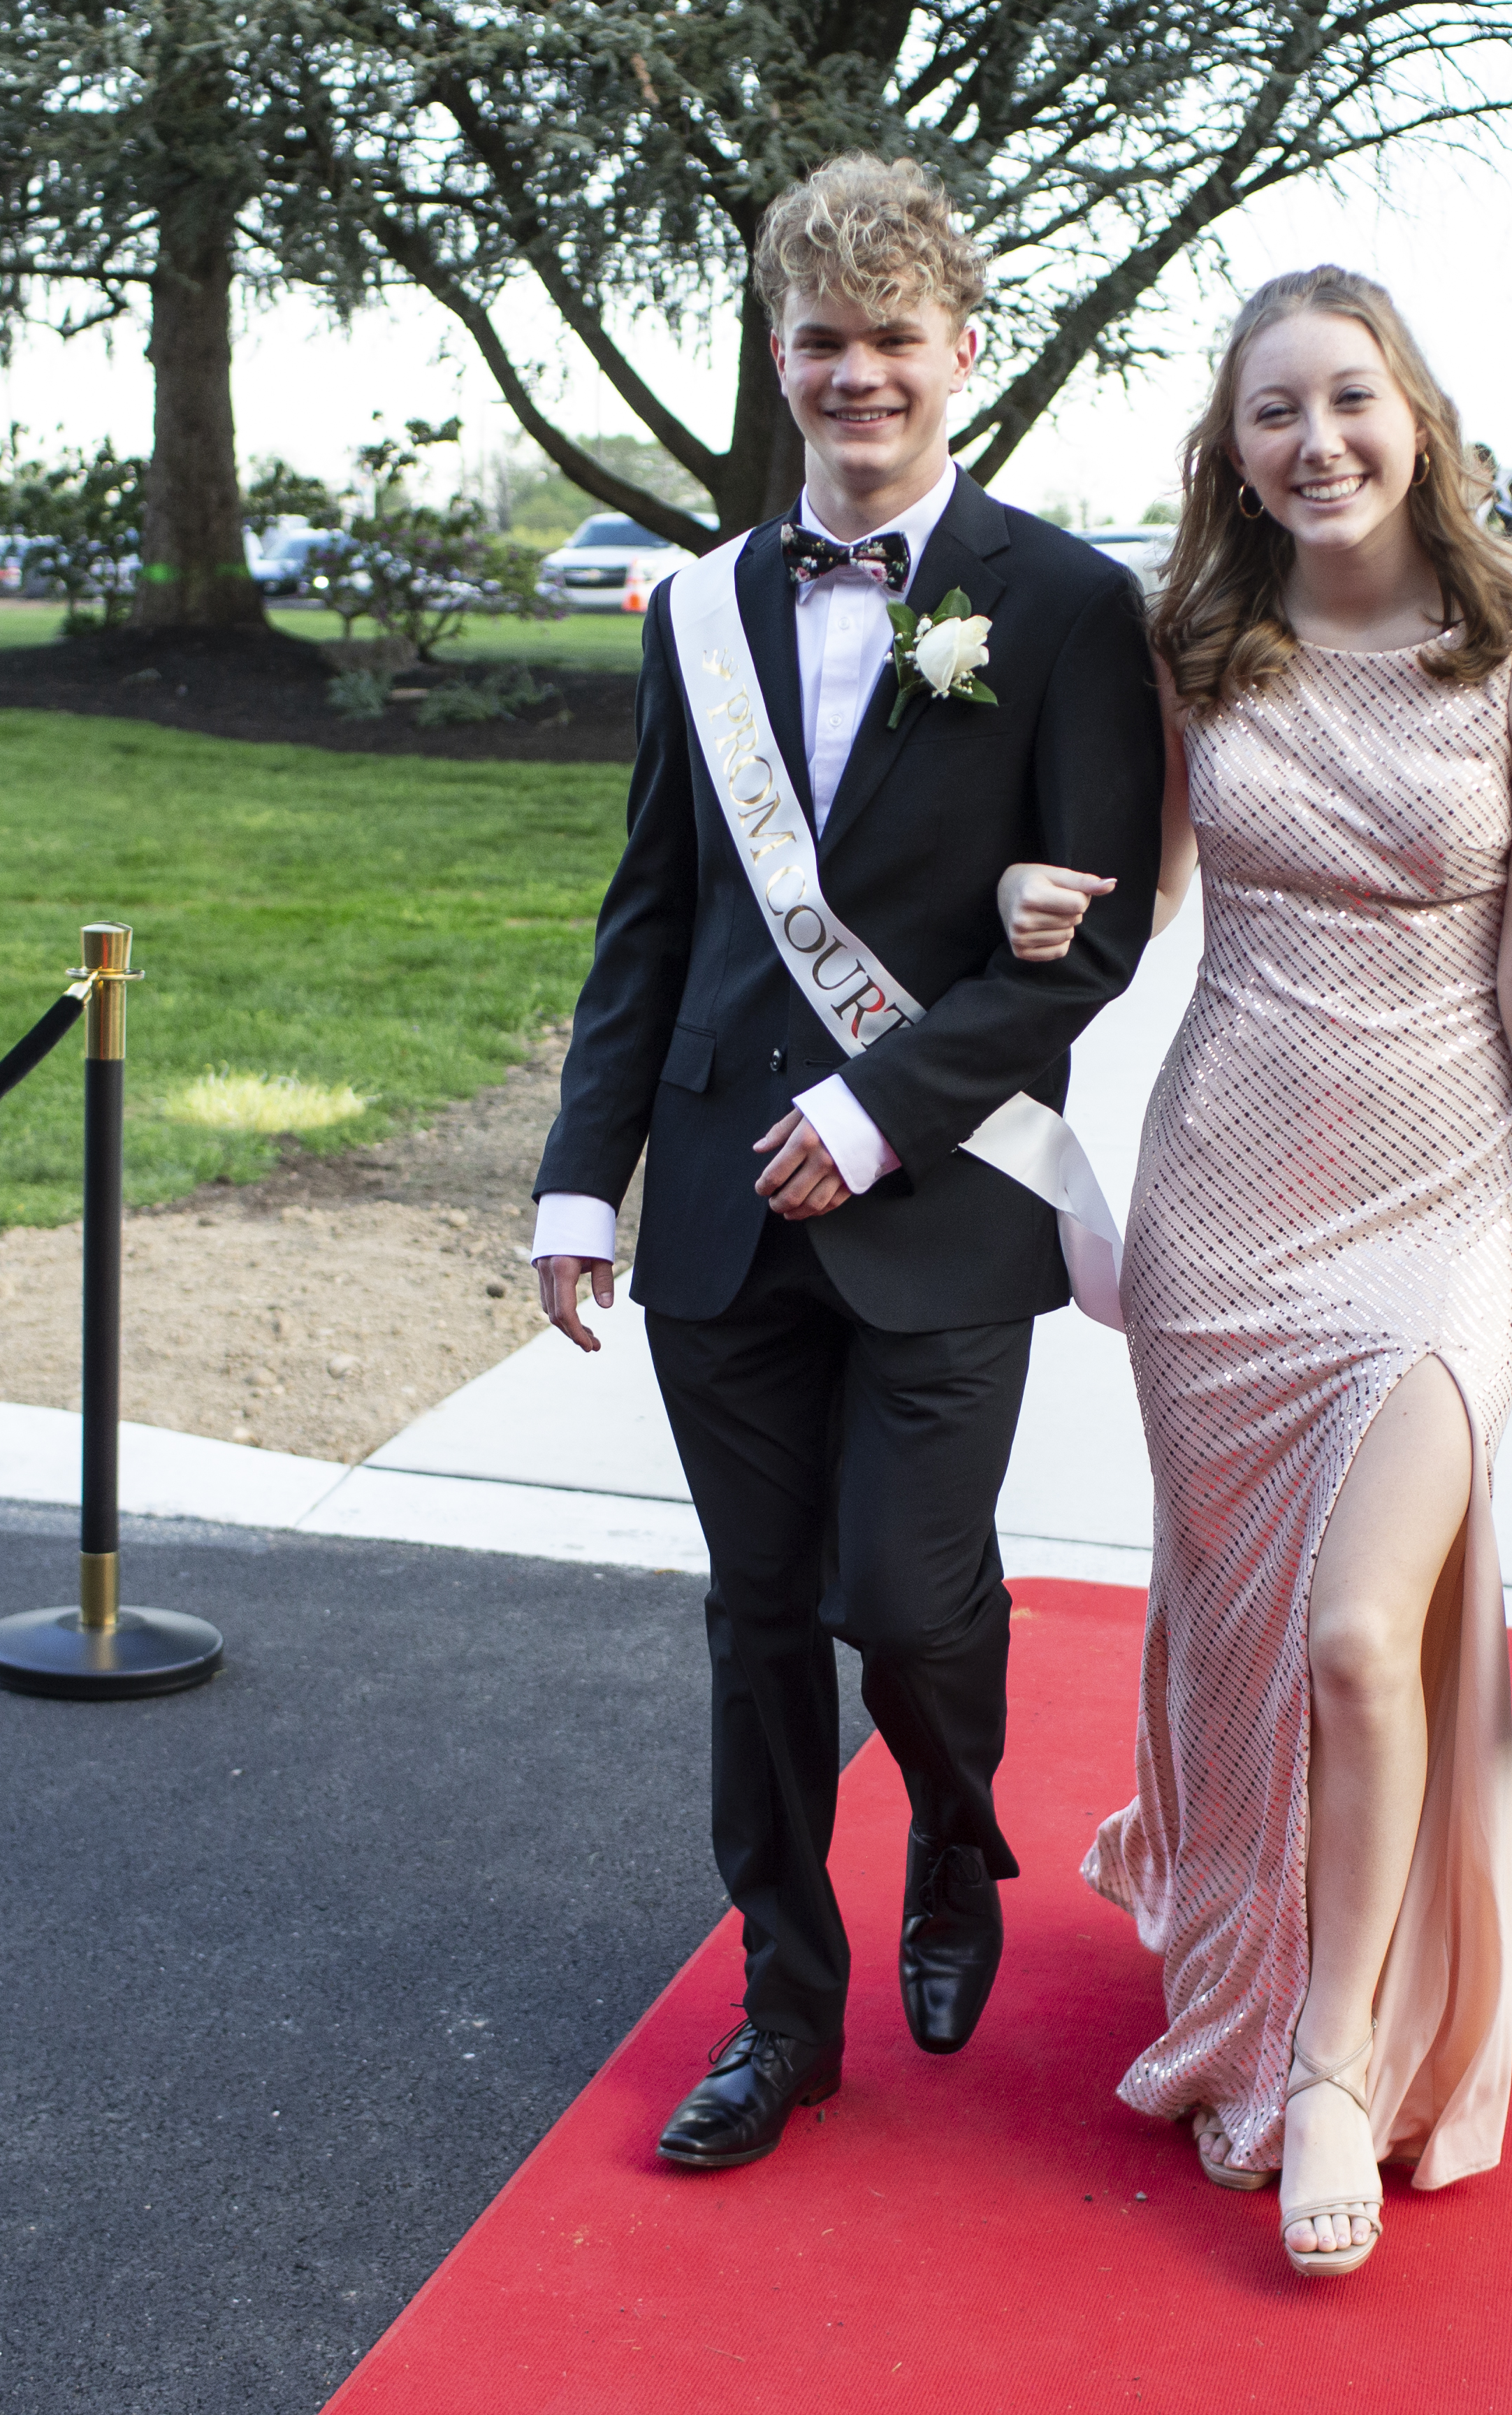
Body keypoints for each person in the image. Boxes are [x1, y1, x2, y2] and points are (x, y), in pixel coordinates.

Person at [990, 263, 1512, 2282]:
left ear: (1416, 416)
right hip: (1227, 1209)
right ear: (1231, 447)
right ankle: (1256, 1965)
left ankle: (1338, 2059)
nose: (1317, 441)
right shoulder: (1199, 649)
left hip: (1439, 1209)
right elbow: (1134, 894)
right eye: (1273, 411)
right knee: (1243, 1635)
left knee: (1364, 1640)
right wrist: (1032, 901)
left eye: (1350, 399)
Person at [530, 152, 1165, 2173]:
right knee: (752, 1624)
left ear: (960, 351)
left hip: (946, 1191)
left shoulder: (1063, 606)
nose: (857, 375)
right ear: (777, 355)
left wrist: (879, 1104)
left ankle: (958, 1852)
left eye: (894, 339)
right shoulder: (700, 609)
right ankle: (780, 2013)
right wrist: (579, 1177)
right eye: (823, 341)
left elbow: (1104, 932)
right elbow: (650, 918)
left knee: (900, 1599)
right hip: (720, 1196)